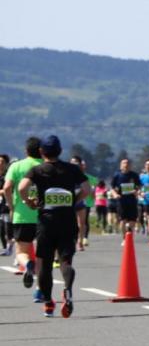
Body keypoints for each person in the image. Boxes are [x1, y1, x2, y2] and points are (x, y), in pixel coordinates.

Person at [18, 135, 89, 318]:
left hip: (46, 221)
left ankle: (49, 303)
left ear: (42, 152)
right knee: (66, 260)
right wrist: (74, 199)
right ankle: (67, 289)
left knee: (45, 263)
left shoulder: (37, 170)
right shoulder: (72, 169)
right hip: (67, 220)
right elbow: (87, 189)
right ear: (60, 151)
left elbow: (22, 188)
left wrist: (29, 202)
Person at [4, 138, 43, 293]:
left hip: (22, 214)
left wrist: (12, 205)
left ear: (26, 151)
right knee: (42, 254)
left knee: (20, 252)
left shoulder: (17, 166)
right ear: (41, 151)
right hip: (43, 216)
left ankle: (27, 264)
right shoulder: (46, 166)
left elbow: (7, 187)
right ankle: (40, 289)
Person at [71, 156, 98, 250]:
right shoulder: (67, 173)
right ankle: (72, 240)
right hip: (69, 201)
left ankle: (80, 241)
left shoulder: (82, 175)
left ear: (80, 164)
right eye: (72, 162)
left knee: (81, 222)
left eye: (76, 162)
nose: (73, 164)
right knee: (70, 222)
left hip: (80, 200)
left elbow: (87, 189)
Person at [111, 158, 140, 235]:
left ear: (130, 166)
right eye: (124, 163)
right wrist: (115, 194)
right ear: (121, 166)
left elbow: (139, 186)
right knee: (122, 220)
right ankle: (124, 238)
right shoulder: (117, 176)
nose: (126, 165)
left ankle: (129, 234)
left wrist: (136, 191)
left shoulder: (134, 175)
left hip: (132, 201)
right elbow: (112, 188)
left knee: (132, 220)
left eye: (127, 163)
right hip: (121, 201)